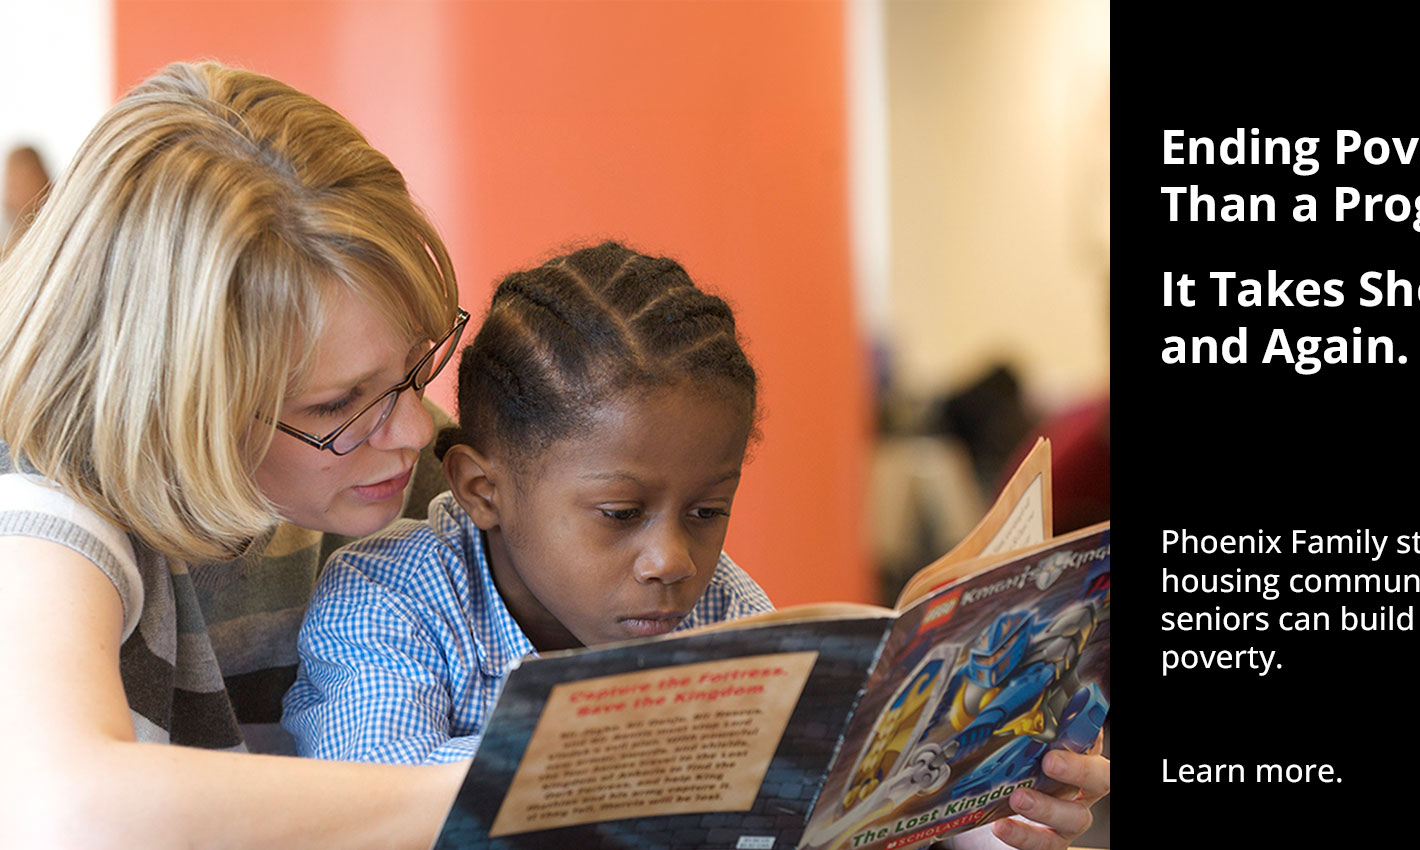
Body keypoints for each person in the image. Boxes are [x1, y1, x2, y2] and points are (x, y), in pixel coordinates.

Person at [285, 242, 1108, 849]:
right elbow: (379, 799)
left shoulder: (720, 608)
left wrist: (978, 813)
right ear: (481, 491)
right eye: (618, 512)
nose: (671, 559)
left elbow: (815, 796)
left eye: (709, 510)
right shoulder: (387, 595)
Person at [0, 61, 467, 847]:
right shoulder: (44, 496)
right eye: (334, 404)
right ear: (183, 404)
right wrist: (505, 792)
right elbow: (62, 806)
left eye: (412, 372)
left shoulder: (403, 470)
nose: (415, 431)